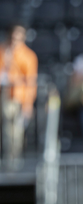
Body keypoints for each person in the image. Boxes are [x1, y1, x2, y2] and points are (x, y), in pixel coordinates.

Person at [0, 23, 37, 170]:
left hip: (15, 99)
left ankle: (12, 164)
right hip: (2, 96)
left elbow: (30, 82)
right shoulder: (2, 51)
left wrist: (27, 104)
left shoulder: (28, 56)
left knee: (13, 133)